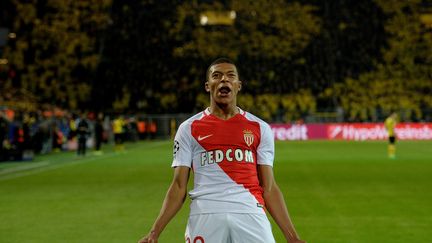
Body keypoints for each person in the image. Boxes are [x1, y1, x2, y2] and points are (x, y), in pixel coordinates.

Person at [138, 58, 305, 243]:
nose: (224, 79)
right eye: (216, 76)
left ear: (238, 85)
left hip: (250, 211)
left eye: (230, 75)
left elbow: (270, 188)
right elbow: (178, 186)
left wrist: (293, 238)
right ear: (208, 86)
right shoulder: (188, 128)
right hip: (205, 213)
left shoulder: (260, 127)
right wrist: (154, 232)